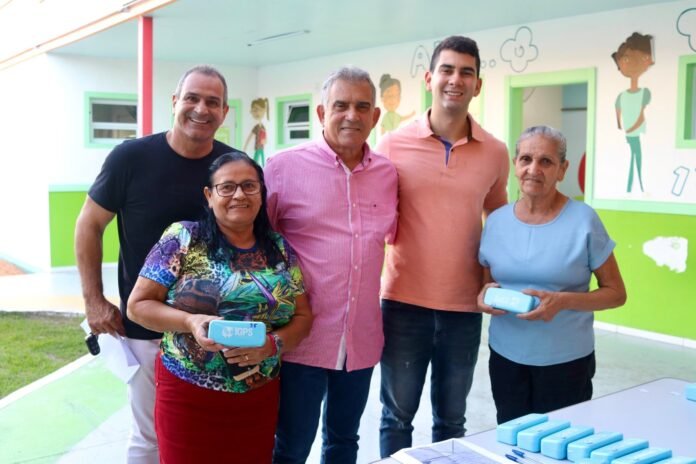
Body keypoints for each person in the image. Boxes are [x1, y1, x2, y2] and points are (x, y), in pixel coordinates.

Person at [74, 65, 234, 463]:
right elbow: (89, 225)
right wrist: (94, 300)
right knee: (150, 437)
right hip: (147, 328)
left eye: (212, 102)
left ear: (224, 112)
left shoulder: (233, 166)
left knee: (209, 433)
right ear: (174, 102)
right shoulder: (131, 158)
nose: (201, 109)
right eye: (192, 98)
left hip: (214, 330)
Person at [127, 152, 313, 463]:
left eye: (249, 186)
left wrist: (272, 345)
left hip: (258, 395)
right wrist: (190, 322)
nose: (239, 195)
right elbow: (138, 306)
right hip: (188, 394)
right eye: (227, 187)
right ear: (209, 195)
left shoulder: (279, 249)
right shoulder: (183, 238)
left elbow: (303, 316)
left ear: (261, 193)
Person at [376, 36, 509, 458]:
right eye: (447, 70)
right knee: (396, 417)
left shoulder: (495, 152)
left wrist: (490, 282)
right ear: (429, 78)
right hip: (403, 302)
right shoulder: (392, 144)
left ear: (478, 85)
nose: (456, 80)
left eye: (466, 72)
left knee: (451, 420)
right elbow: (374, 213)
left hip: (464, 308)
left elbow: (498, 223)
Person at [265, 66, 398, 464]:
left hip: (360, 340)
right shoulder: (282, 168)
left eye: (362, 107)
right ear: (322, 113)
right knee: (291, 447)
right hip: (301, 340)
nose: (351, 115)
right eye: (340, 106)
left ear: (375, 116)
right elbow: (257, 247)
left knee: (343, 442)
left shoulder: (387, 174)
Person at [478, 125, 627, 424]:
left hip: (566, 361)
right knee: (511, 436)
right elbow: (487, 283)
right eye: (526, 159)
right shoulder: (496, 222)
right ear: (515, 164)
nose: (534, 169)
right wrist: (483, 296)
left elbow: (616, 294)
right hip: (506, 358)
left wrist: (562, 301)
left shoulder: (584, 220)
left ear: (562, 169)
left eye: (546, 161)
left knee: (561, 442)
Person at [612, 32, 654, 193]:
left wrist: (629, 127)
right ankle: (634, 188)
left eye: (628, 59)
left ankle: (638, 187)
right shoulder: (622, 96)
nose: (625, 63)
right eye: (624, 60)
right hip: (630, 132)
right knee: (634, 157)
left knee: (636, 157)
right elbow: (618, 112)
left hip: (634, 131)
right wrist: (621, 126)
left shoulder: (644, 93)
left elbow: (640, 115)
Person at [244, 97, 270, 166]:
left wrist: (265, 141)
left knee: (262, 162)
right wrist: (245, 148)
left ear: (264, 110)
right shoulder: (256, 127)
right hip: (258, 147)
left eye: (257, 110)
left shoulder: (262, 127)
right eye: (253, 110)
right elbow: (249, 137)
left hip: (261, 147)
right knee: (256, 162)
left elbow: (265, 139)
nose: (256, 113)